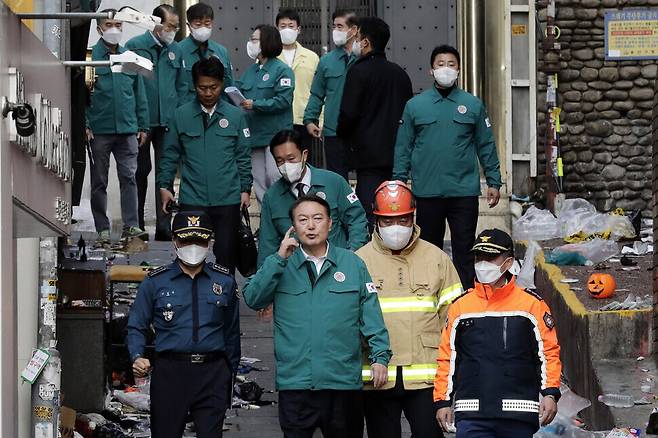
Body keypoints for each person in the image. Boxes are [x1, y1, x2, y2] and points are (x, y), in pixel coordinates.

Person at [243, 194, 391, 438]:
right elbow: (253, 298)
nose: (310, 226)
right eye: (302, 220)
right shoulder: (281, 263)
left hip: (342, 383)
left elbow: (370, 312)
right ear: (293, 226)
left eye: (317, 218)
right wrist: (279, 258)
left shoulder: (353, 264)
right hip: (296, 384)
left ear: (330, 223)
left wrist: (380, 356)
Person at [356, 181, 463, 438]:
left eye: (403, 220)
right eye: (388, 221)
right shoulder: (359, 261)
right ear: (376, 221)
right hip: (378, 377)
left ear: (413, 217)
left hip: (426, 377)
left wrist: (453, 376)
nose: (396, 228)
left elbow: (455, 320)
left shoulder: (436, 258)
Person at [393, 45, 502, 289]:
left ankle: (465, 296)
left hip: (463, 192)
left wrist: (494, 180)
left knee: (464, 249)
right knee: (429, 249)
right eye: (440, 63)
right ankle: (431, 294)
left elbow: (486, 144)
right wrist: (399, 181)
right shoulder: (415, 106)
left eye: (451, 64)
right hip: (427, 191)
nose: (446, 68)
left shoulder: (472, 105)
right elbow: (403, 147)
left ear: (459, 70)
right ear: (431, 70)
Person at [434, 229, 561, 438]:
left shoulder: (531, 305)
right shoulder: (460, 307)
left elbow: (548, 353)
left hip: (518, 413)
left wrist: (550, 393)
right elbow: (447, 358)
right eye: (479, 257)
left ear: (509, 262)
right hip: (472, 413)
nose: (483, 264)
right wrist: (442, 401)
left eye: (491, 258)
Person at [127, 211, 240, 438]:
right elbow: (137, 325)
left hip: (212, 373)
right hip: (171, 372)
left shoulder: (224, 281)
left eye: (199, 240)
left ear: (210, 241)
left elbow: (231, 334)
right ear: (175, 241)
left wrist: (229, 375)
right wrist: (137, 355)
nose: (193, 246)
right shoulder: (155, 282)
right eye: (186, 240)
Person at [158, 57, 251, 274]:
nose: (208, 93)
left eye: (214, 87)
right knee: (190, 255)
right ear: (194, 86)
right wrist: (165, 186)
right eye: (202, 88)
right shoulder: (181, 116)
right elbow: (170, 154)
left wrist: (245, 189)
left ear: (222, 84)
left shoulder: (235, 116)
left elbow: (243, 156)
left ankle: (226, 302)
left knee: (226, 255)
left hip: (228, 198)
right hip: (193, 198)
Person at [337, 17, 413, 228]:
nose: (355, 42)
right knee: (396, 211)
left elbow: (348, 114)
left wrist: (343, 137)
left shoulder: (358, 71)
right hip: (397, 157)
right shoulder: (400, 74)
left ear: (366, 42)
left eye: (358, 37)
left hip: (368, 158)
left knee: (370, 215)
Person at [257, 129, 369, 267]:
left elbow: (357, 219)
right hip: (295, 274)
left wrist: (351, 255)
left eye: (291, 159)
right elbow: (267, 246)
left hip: (336, 266)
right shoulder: (272, 197)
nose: (286, 165)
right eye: (280, 161)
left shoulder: (334, 182)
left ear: (304, 155)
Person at [86, 9, 149, 243]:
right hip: (99, 129)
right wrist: (84, 123)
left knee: (129, 177)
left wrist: (143, 125)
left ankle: (131, 226)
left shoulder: (130, 58)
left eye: (118, 25)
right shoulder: (90, 58)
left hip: (127, 129)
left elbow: (139, 95)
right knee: (99, 181)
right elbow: (81, 95)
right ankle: (102, 228)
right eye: (109, 24)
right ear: (99, 28)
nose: (114, 29)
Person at [125, 4, 185, 241]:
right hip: (141, 122)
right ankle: (136, 225)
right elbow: (128, 86)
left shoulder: (176, 50)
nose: (173, 31)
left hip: (168, 122)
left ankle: (163, 226)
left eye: (176, 27)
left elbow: (182, 85)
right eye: (170, 26)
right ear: (156, 24)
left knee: (165, 174)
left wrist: (178, 114)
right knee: (139, 172)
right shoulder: (135, 47)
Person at [237, 24, 294, 204]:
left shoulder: (282, 70)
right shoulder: (251, 71)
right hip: (254, 136)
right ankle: (266, 222)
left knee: (275, 177)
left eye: (254, 40)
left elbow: (284, 100)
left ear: (266, 42)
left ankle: (283, 220)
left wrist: (256, 104)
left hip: (274, 136)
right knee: (259, 182)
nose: (250, 43)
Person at [303, 9, 358, 180]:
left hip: (360, 130)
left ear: (354, 30)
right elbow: (317, 94)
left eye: (340, 26)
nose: (336, 31)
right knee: (337, 178)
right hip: (333, 130)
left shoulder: (364, 58)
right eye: (334, 26)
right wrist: (310, 119)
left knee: (365, 178)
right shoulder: (327, 61)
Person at [275, 8, 320, 152]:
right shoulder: (269, 57)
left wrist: (319, 119)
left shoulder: (311, 57)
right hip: (277, 120)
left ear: (298, 29)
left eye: (291, 26)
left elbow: (319, 90)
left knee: (304, 163)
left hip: (303, 120)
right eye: (283, 26)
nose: (287, 29)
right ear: (277, 29)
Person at [178, 2, 234, 105]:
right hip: (189, 110)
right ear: (189, 25)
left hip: (218, 111)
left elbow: (229, 85)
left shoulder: (221, 51)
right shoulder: (178, 50)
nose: (203, 27)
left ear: (212, 23)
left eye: (207, 23)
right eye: (198, 24)